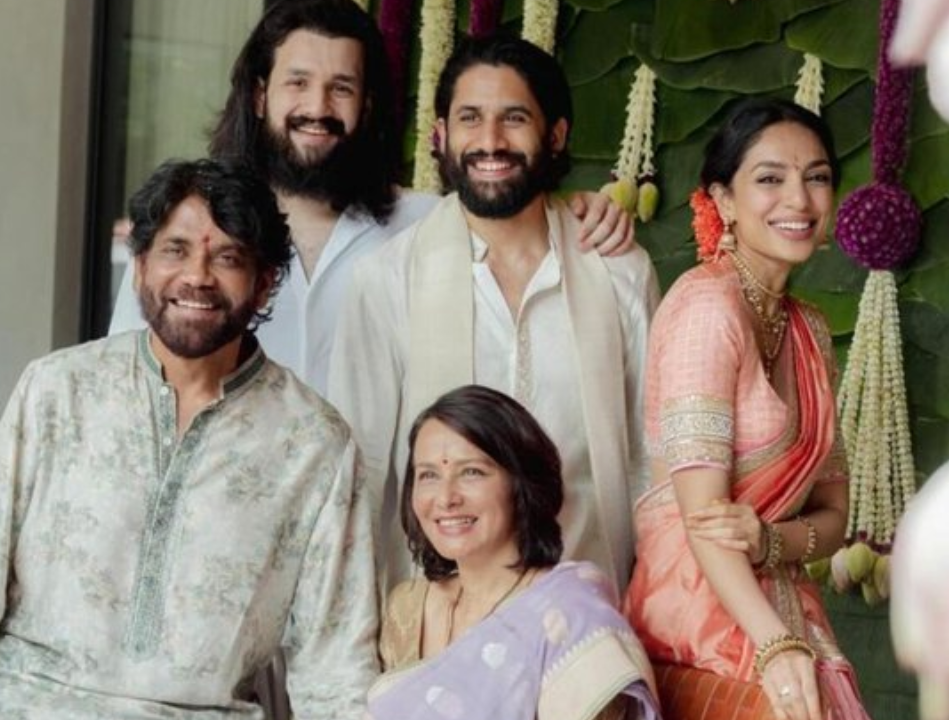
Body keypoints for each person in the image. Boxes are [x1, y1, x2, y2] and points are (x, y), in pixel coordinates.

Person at [0, 159, 378, 719]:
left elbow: (335, 668)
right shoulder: (59, 391)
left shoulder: (314, 444)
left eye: (228, 258)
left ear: (264, 285)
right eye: (174, 250)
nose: (197, 276)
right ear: (140, 268)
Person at [107, 0, 636, 396]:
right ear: (261, 96)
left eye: (341, 87)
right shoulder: (185, 240)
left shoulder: (427, 226)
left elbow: (518, 222)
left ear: (366, 105)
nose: (318, 107)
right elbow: (123, 378)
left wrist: (582, 211)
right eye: (298, 83)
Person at [329, 33, 658, 591]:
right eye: (470, 118)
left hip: (592, 612)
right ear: (440, 135)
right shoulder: (386, 279)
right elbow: (359, 474)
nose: (490, 141)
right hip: (439, 619)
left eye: (514, 118)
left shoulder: (618, 272)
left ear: (556, 135)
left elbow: (650, 460)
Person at [622, 98, 871, 720]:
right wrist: (777, 646)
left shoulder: (809, 329)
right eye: (769, 178)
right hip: (702, 618)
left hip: (782, 606)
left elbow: (835, 514)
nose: (799, 199)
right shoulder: (705, 310)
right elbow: (704, 519)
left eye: (816, 177)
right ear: (724, 200)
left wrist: (769, 540)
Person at [368, 385, 661, 720]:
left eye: (471, 472)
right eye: (429, 475)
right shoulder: (408, 609)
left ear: (522, 484)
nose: (446, 498)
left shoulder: (569, 615)